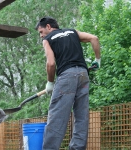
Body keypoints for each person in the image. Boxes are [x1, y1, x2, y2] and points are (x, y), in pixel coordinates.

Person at [35, 16, 101, 150]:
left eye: (41, 32)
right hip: (83, 75)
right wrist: (97, 59)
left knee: (57, 115)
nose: (41, 36)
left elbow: (51, 63)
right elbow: (94, 38)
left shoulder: (48, 40)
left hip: (66, 76)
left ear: (48, 27)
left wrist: (50, 82)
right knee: (81, 115)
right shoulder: (73, 32)